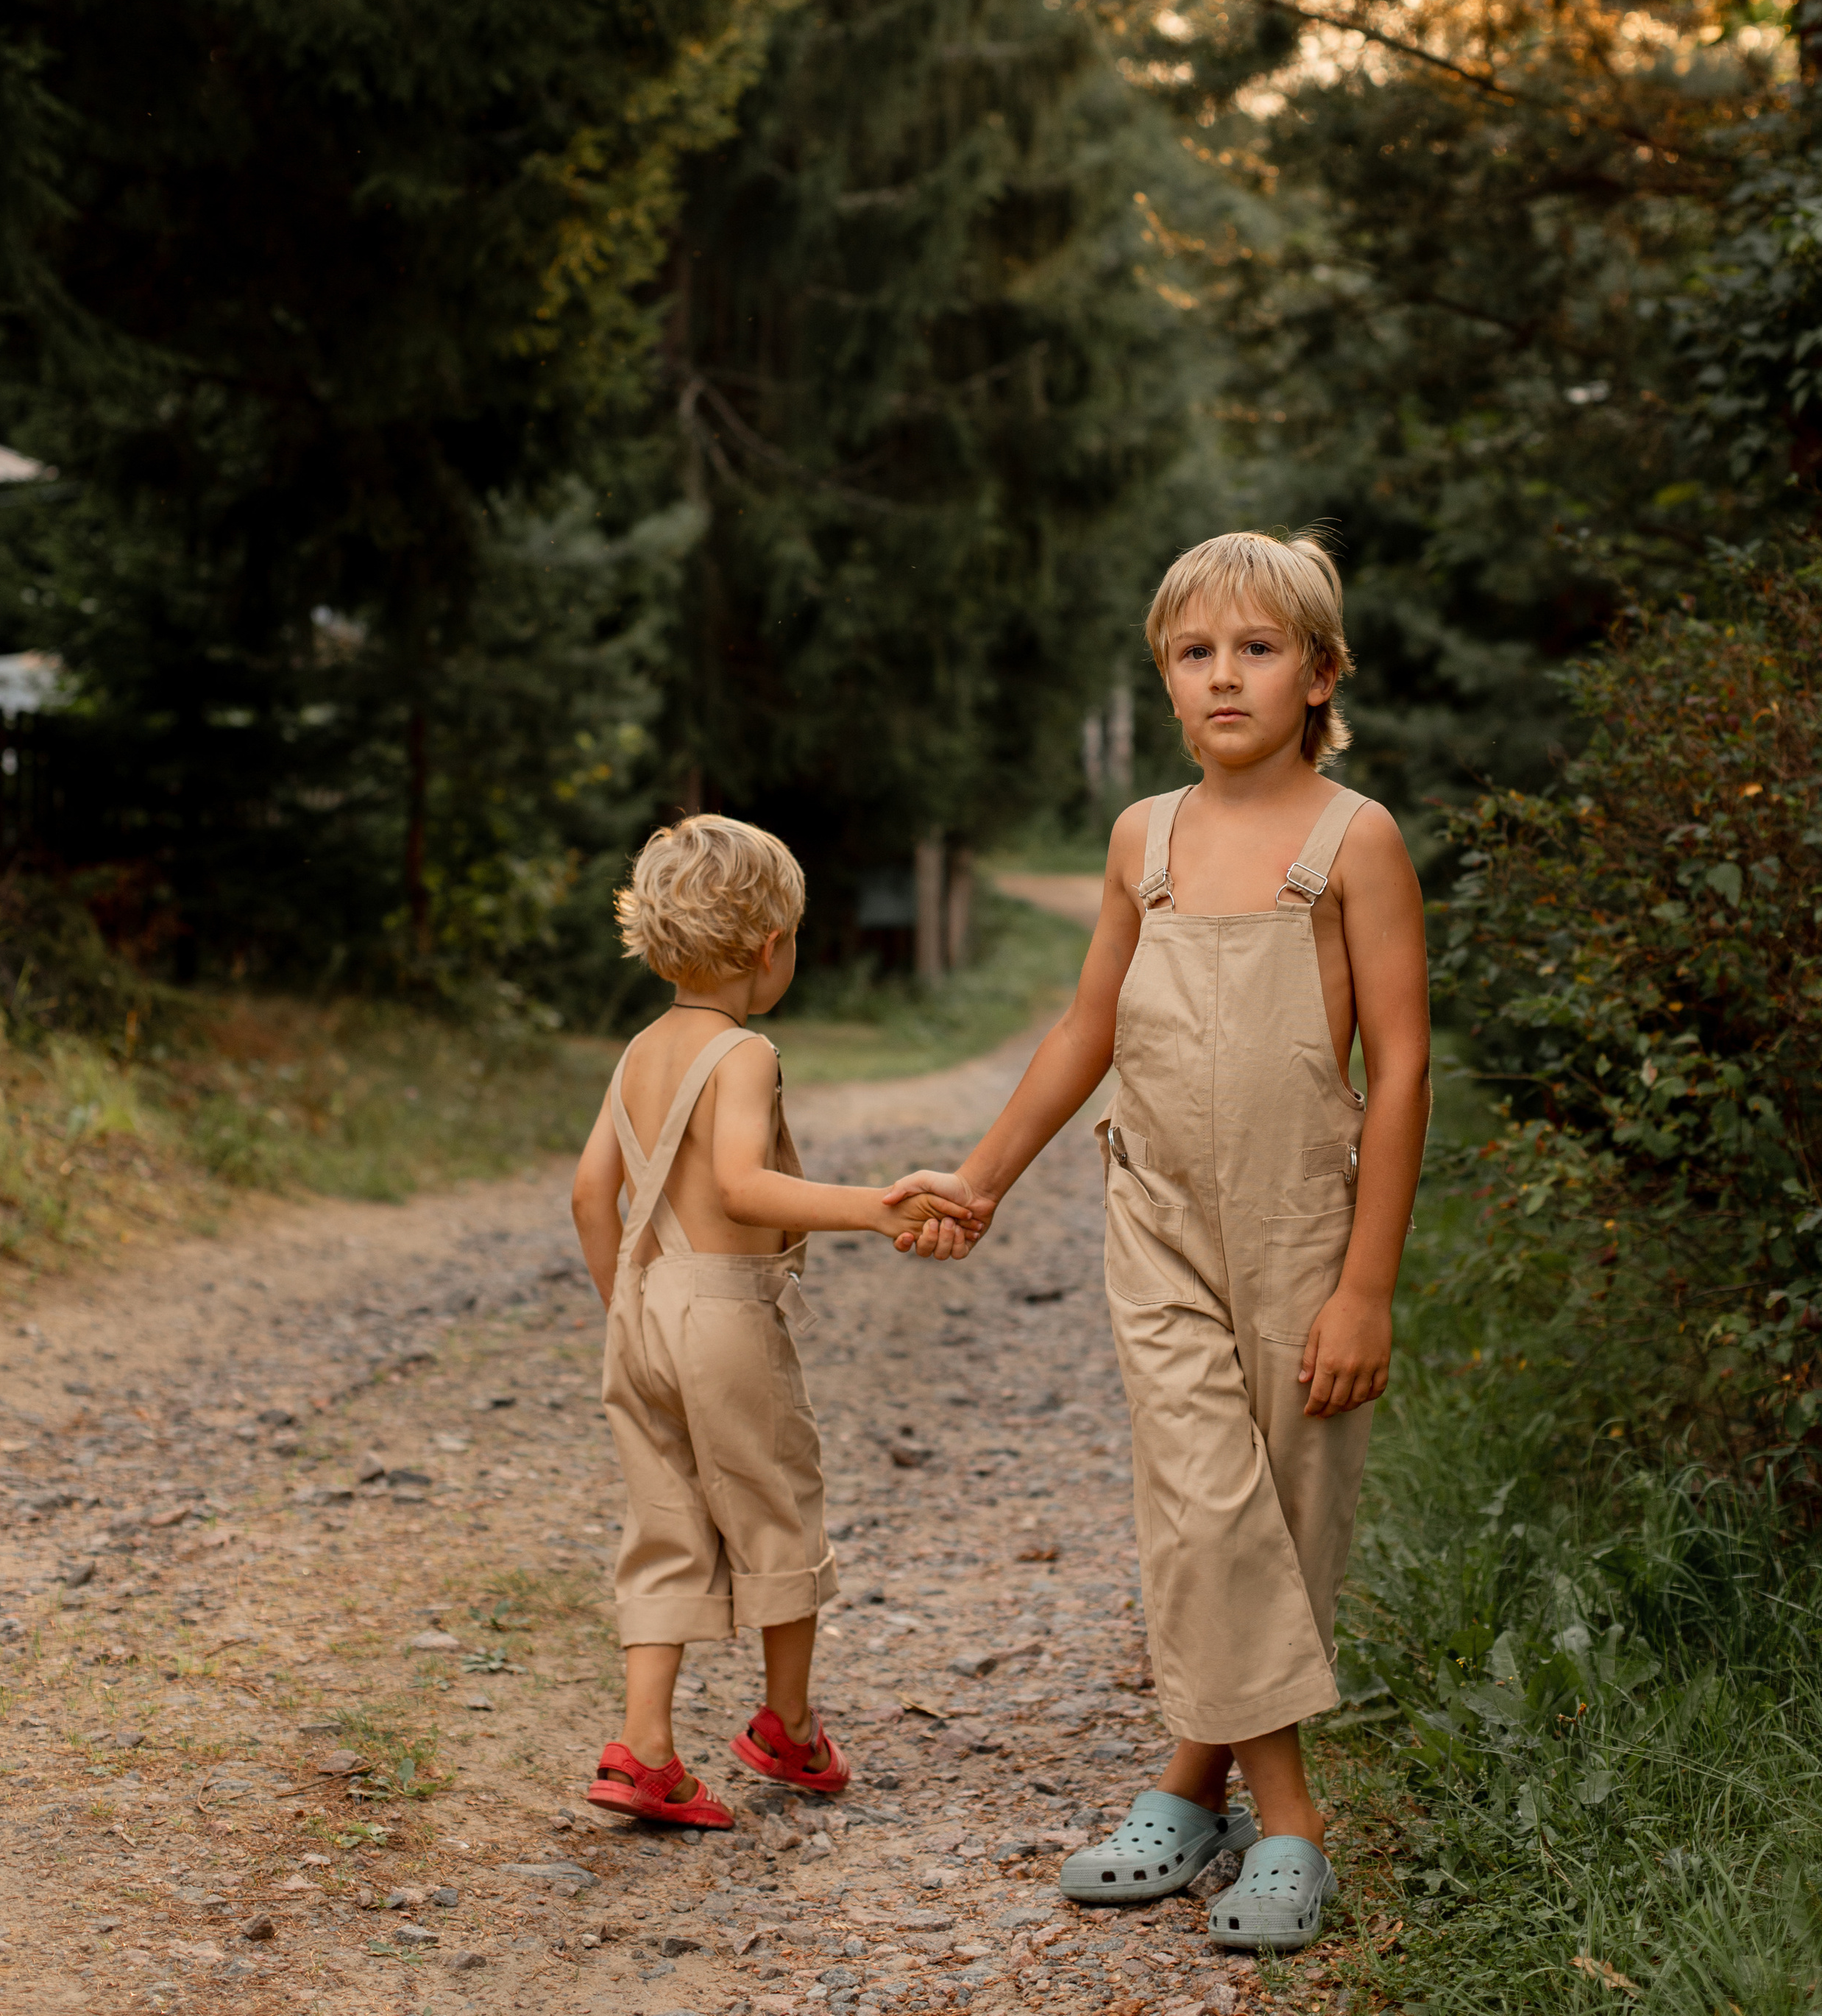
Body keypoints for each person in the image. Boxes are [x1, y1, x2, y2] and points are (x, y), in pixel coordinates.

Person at [885, 531, 1431, 1950]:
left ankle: (1192, 1786)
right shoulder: (1145, 838)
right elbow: (1088, 1028)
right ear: (1164, 680)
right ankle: (1294, 1828)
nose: (1226, 675)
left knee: (1287, 1515)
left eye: (1258, 649)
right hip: (1164, 1219)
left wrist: (1366, 1283)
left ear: (1321, 673)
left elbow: (1407, 1064)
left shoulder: (1354, 840)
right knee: (1201, 1499)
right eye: (1197, 653)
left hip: (1308, 1228)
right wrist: (988, 1178)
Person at [571, 813, 977, 1828]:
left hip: (644, 1307)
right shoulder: (741, 1054)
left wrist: (626, 1301)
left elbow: (590, 1194)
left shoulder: (637, 1053)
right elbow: (743, 1188)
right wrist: (877, 1209)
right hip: (722, 1315)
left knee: (664, 1522)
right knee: (778, 1506)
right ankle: (786, 1726)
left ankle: (646, 1749)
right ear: (770, 948)